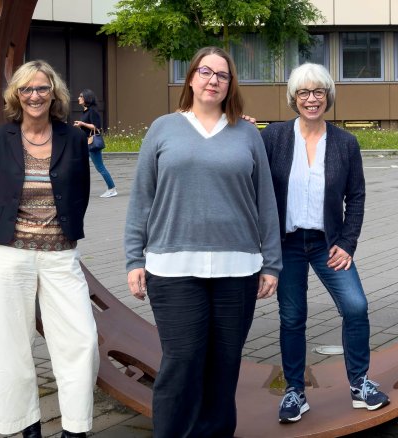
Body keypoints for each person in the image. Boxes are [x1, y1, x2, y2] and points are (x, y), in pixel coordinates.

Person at [124, 46, 281, 437]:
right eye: (206, 72)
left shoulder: (247, 133)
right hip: (173, 268)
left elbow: (265, 201)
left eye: (222, 75)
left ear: (231, 85)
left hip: (238, 268)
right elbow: (142, 197)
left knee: (224, 365)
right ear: (191, 78)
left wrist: (272, 263)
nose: (213, 80)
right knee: (182, 361)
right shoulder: (163, 128)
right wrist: (133, 259)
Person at [261, 63, 390, 424]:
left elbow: (357, 197)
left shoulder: (345, 143)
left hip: (326, 243)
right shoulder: (273, 137)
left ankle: (360, 383)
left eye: (318, 92)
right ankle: (294, 391)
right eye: (304, 92)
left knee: (355, 306)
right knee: (292, 317)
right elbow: (250, 175)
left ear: (328, 96)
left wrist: (347, 242)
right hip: (286, 244)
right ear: (293, 98)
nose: (311, 99)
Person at [0, 60, 98, 438]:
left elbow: (80, 192)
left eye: (42, 89)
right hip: (9, 254)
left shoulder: (73, 139)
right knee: (11, 343)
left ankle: (75, 428)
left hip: (60, 254)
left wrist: (65, 231)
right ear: (17, 94)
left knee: (82, 340)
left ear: (54, 94)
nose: (35, 96)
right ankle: (26, 425)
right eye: (27, 89)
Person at [73, 88, 117, 198]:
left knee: (100, 167)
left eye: (81, 96)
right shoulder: (85, 111)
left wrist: (82, 123)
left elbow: (96, 127)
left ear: (86, 98)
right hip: (86, 142)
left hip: (93, 143)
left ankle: (112, 189)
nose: (78, 98)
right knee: (79, 165)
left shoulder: (92, 111)